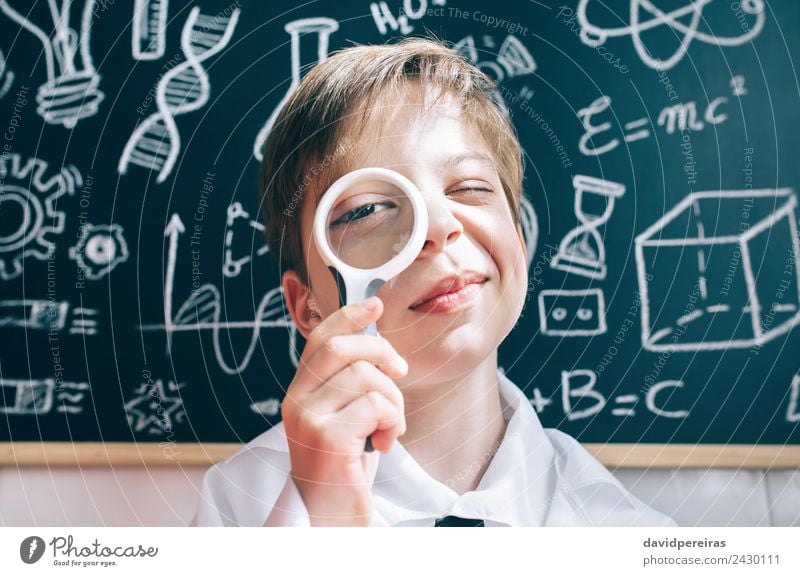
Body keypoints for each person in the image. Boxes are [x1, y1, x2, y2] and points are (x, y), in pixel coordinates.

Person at [192, 37, 675, 527]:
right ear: (308, 305)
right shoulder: (238, 508)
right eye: (366, 210)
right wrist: (330, 519)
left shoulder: (631, 531)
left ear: (518, 239)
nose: (440, 226)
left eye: (470, 188)